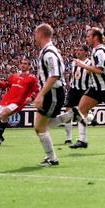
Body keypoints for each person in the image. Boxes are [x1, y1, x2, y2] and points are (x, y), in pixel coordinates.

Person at [33, 24, 70, 167]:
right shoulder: (47, 51)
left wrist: (41, 95)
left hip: (52, 92)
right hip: (51, 92)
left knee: (40, 127)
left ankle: (52, 158)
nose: (34, 38)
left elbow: (54, 75)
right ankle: (73, 115)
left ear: (41, 34)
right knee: (41, 126)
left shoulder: (49, 52)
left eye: (35, 34)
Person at [0, 58, 39, 145]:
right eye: (22, 63)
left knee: (5, 113)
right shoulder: (14, 76)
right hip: (6, 100)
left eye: (25, 64)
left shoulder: (32, 78)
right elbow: (5, 85)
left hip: (17, 102)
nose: (23, 65)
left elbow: (36, 90)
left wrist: (31, 98)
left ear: (29, 66)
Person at [64, 45, 91, 148]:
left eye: (80, 50)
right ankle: (68, 138)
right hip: (73, 90)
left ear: (85, 52)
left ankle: (82, 138)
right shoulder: (73, 62)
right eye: (77, 50)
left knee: (82, 115)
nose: (78, 52)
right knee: (68, 112)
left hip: (84, 91)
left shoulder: (89, 63)